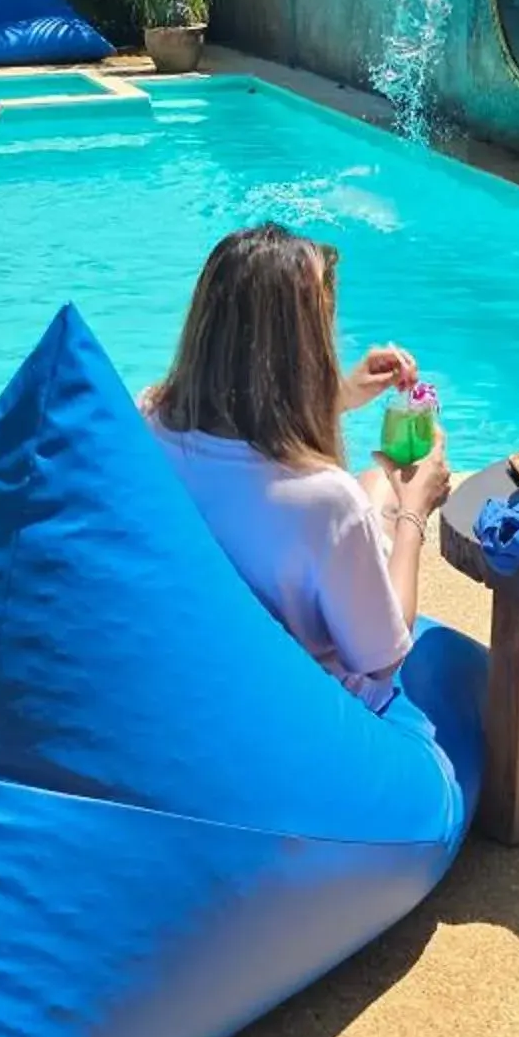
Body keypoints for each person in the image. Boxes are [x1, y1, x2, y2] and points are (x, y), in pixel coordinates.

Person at [145, 222, 455, 705]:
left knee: (375, 483)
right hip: (310, 714)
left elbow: (241, 455)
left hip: (207, 672)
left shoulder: (153, 424)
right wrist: (417, 510)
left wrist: (342, 395)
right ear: (301, 350)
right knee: (384, 502)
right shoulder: (322, 498)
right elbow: (383, 660)